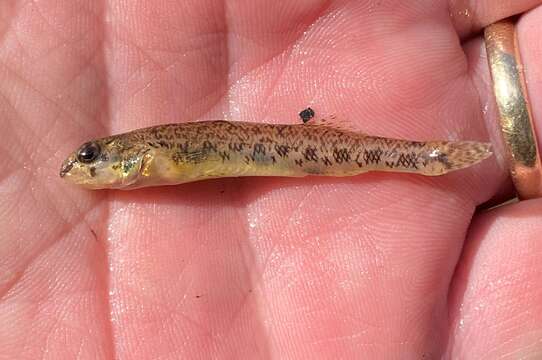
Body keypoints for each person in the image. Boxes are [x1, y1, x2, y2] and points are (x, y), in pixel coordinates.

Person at [1, 1, 541, 358]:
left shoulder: (148, 156)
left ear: (127, 156)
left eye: (93, 157)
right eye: (90, 159)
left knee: (358, 155)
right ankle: (427, 158)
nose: (84, 169)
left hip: (299, 145)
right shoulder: (144, 160)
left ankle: (427, 158)